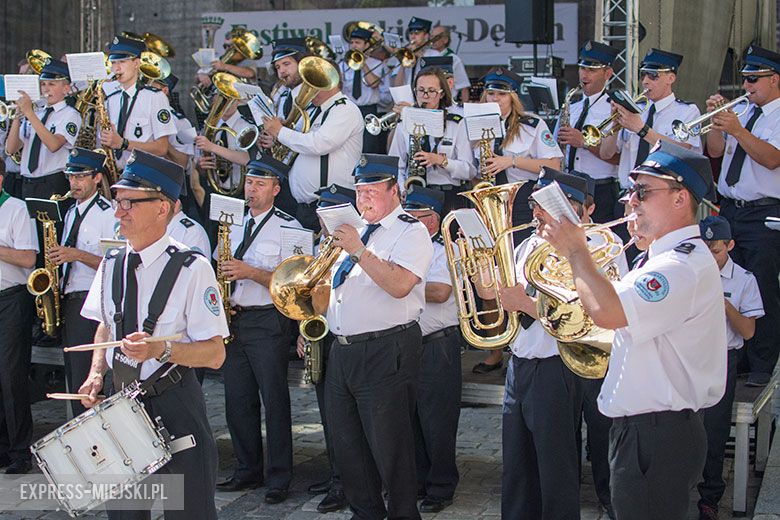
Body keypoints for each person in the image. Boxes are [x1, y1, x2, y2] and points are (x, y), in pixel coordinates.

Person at [541, 141, 727, 520]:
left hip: (657, 433)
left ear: (680, 198)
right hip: (648, 431)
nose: (631, 201)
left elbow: (608, 311)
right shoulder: (661, 258)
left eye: (643, 191)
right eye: (631, 191)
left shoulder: (678, 266)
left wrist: (577, 251)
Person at [78, 150, 228, 519]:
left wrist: (161, 350)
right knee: (125, 513)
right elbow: (105, 325)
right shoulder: (111, 263)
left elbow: (215, 354)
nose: (119, 212)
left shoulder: (193, 268)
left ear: (163, 208)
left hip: (174, 402)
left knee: (188, 512)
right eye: (118, 201)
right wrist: (96, 374)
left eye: (129, 202)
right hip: (121, 405)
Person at [318, 153, 433, 520]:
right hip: (343, 349)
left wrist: (358, 249)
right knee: (348, 446)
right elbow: (330, 294)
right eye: (358, 191)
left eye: (371, 190)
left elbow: (399, 285)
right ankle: (365, 513)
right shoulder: (352, 232)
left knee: (391, 448)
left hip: (387, 347)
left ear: (394, 190)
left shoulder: (409, 231)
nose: (363, 198)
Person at [479, 168, 591, 519]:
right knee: (517, 467)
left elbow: (585, 318)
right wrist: (482, 268)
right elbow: (496, 296)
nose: (535, 212)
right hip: (521, 364)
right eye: (534, 204)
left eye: (543, 204)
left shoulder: (589, 248)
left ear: (570, 206)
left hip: (557, 367)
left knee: (555, 468)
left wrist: (526, 305)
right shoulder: (527, 245)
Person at [216, 155, 299, 504]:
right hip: (235, 318)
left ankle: (279, 477)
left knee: (274, 401)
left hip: (268, 320)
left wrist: (250, 272)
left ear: (276, 189)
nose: (251, 190)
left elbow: (296, 282)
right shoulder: (231, 221)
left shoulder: (290, 226)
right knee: (238, 400)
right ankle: (247, 469)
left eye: (260, 184)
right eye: (249, 183)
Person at [471, 67, 562, 375]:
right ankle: (495, 346)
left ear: (512, 97)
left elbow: (554, 164)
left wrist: (510, 161)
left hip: (521, 203)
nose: (495, 99)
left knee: (520, 274)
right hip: (489, 204)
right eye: (490, 93)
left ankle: (523, 341)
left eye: (501, 94)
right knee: (489, 275)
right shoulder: (475, 124)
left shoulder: (531, 125)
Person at [706, 45, 780, 387]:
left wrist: (737, 130)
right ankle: (736, 357)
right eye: (745, 79)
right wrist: (716, 124)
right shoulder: (744, 113)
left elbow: (772, 159)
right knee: (728, 282)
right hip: (730, 209)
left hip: (764, 211)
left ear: (774, 79)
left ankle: (762, 362)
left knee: (761, 286)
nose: (747, 86)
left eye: (754, 79)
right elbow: (716, 151)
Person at [695, 215, 764, 520]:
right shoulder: (688, 273)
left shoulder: (744, 280)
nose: (711, 257)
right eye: (704, 250)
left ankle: (709, 497)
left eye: (716, 250)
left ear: (730, 246)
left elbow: (748, 332)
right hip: (689, 357)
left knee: (714, 430)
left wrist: (723, 304)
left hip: (722, 358)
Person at [295, 183, 356, 514]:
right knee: (328, 415)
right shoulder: (320, 245)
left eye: (328, 212)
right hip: (321, 333)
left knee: (344, 417)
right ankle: (336, 474)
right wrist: (304, 328)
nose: (322, 218)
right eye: (321, 212)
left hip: (343, 335)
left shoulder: (351, 247)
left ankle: (348, 482)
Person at [403, 185, 462, 514]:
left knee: (437, 420)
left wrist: (400, 282)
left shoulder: (445, 249)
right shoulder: (404, 250)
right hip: (409, 341)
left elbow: (440, 292)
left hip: (438, 342)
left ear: (432, 221)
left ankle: (441, 486)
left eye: (415, 216)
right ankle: (417, 481)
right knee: (410, 418)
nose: (408, 221)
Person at [49, 148, 116, 417]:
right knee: (76, 380)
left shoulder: (108, 213)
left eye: (80, 177)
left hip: (92, 301)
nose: (73, 183)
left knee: (89, 384)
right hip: (71, 300)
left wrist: (75, 255)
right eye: (70, 177)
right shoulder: (70, 213)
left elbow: (115, 264)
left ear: (97, 178)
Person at [263, 71, 363, 232]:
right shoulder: (312, 110)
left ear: (330, 84)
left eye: (314, 84)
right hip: (306, 206)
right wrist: (280, 134)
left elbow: (319, 144)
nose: (308, 89)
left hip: (332, 203)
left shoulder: (345, 109)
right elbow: (296, 142)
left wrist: (280, 132)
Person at [600, 48, 702, 190]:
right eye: (643, 75)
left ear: (670, 78)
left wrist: (641, 129)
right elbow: (606, 153)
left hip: (664, 192)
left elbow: (681, 152)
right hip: (629, 191)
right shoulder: (635, 109)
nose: (645, 81)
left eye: (653, 75)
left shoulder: (687, 111)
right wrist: (615, 123)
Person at [387, 67, 475, 211]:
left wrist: (440, 160)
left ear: (441, 94)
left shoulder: (456, 124)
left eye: (432, 91)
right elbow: (396, 165)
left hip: (449, 195)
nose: (425, 96)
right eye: (421, 90)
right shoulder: (404, 124)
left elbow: (469, 171)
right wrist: (403, 188)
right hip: (414, 195)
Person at [556, 41, 622, 223]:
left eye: (592, 70)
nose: (584, 75)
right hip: (569, 185)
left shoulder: (614, 109)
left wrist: (584, 143)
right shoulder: (572, 107)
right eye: (582, 68)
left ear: (608, 73)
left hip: (601, 189)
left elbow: (620, 158)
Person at [0, 161, 37, 474]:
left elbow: (27, 258)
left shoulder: (16, 209)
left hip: (11, 298)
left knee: (11, 374)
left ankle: (20, 451)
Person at [5, 58, 81, 200]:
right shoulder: (36, 113)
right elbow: (11, 149)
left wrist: (29, 113)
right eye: (43, 84)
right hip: (27, 183)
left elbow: (53, 145)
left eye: (52, 84)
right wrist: (16, 116)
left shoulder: (70, 114)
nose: (46, 89)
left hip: (52, 182)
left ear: (66, 89)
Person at [99, 35, 177, 171]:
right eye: (113, 63)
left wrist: (123, 144)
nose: (116, 69)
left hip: (143, 174)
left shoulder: (155, 97)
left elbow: (162, 148)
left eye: (122, 62)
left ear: (136, 63)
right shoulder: (111, 99)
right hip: (116, 174)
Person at [340, 26, 385, 154]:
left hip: (368, 111)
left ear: (366, 45)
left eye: (358, 42)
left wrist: (363, 64)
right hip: (349, 109)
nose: (354, 46)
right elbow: (338, 88)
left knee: (368, 146)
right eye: (352, 42)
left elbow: (373, 83)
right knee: (348, 146)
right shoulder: (343, 64)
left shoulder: (376, 63)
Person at [429, 25, 471, 103]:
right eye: (431, 36)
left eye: (436, 37)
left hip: (447, 103)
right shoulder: (425, 55)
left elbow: (464, 87)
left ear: (445, 40)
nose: (432, 40)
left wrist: (464, 107)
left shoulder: (454, 59)